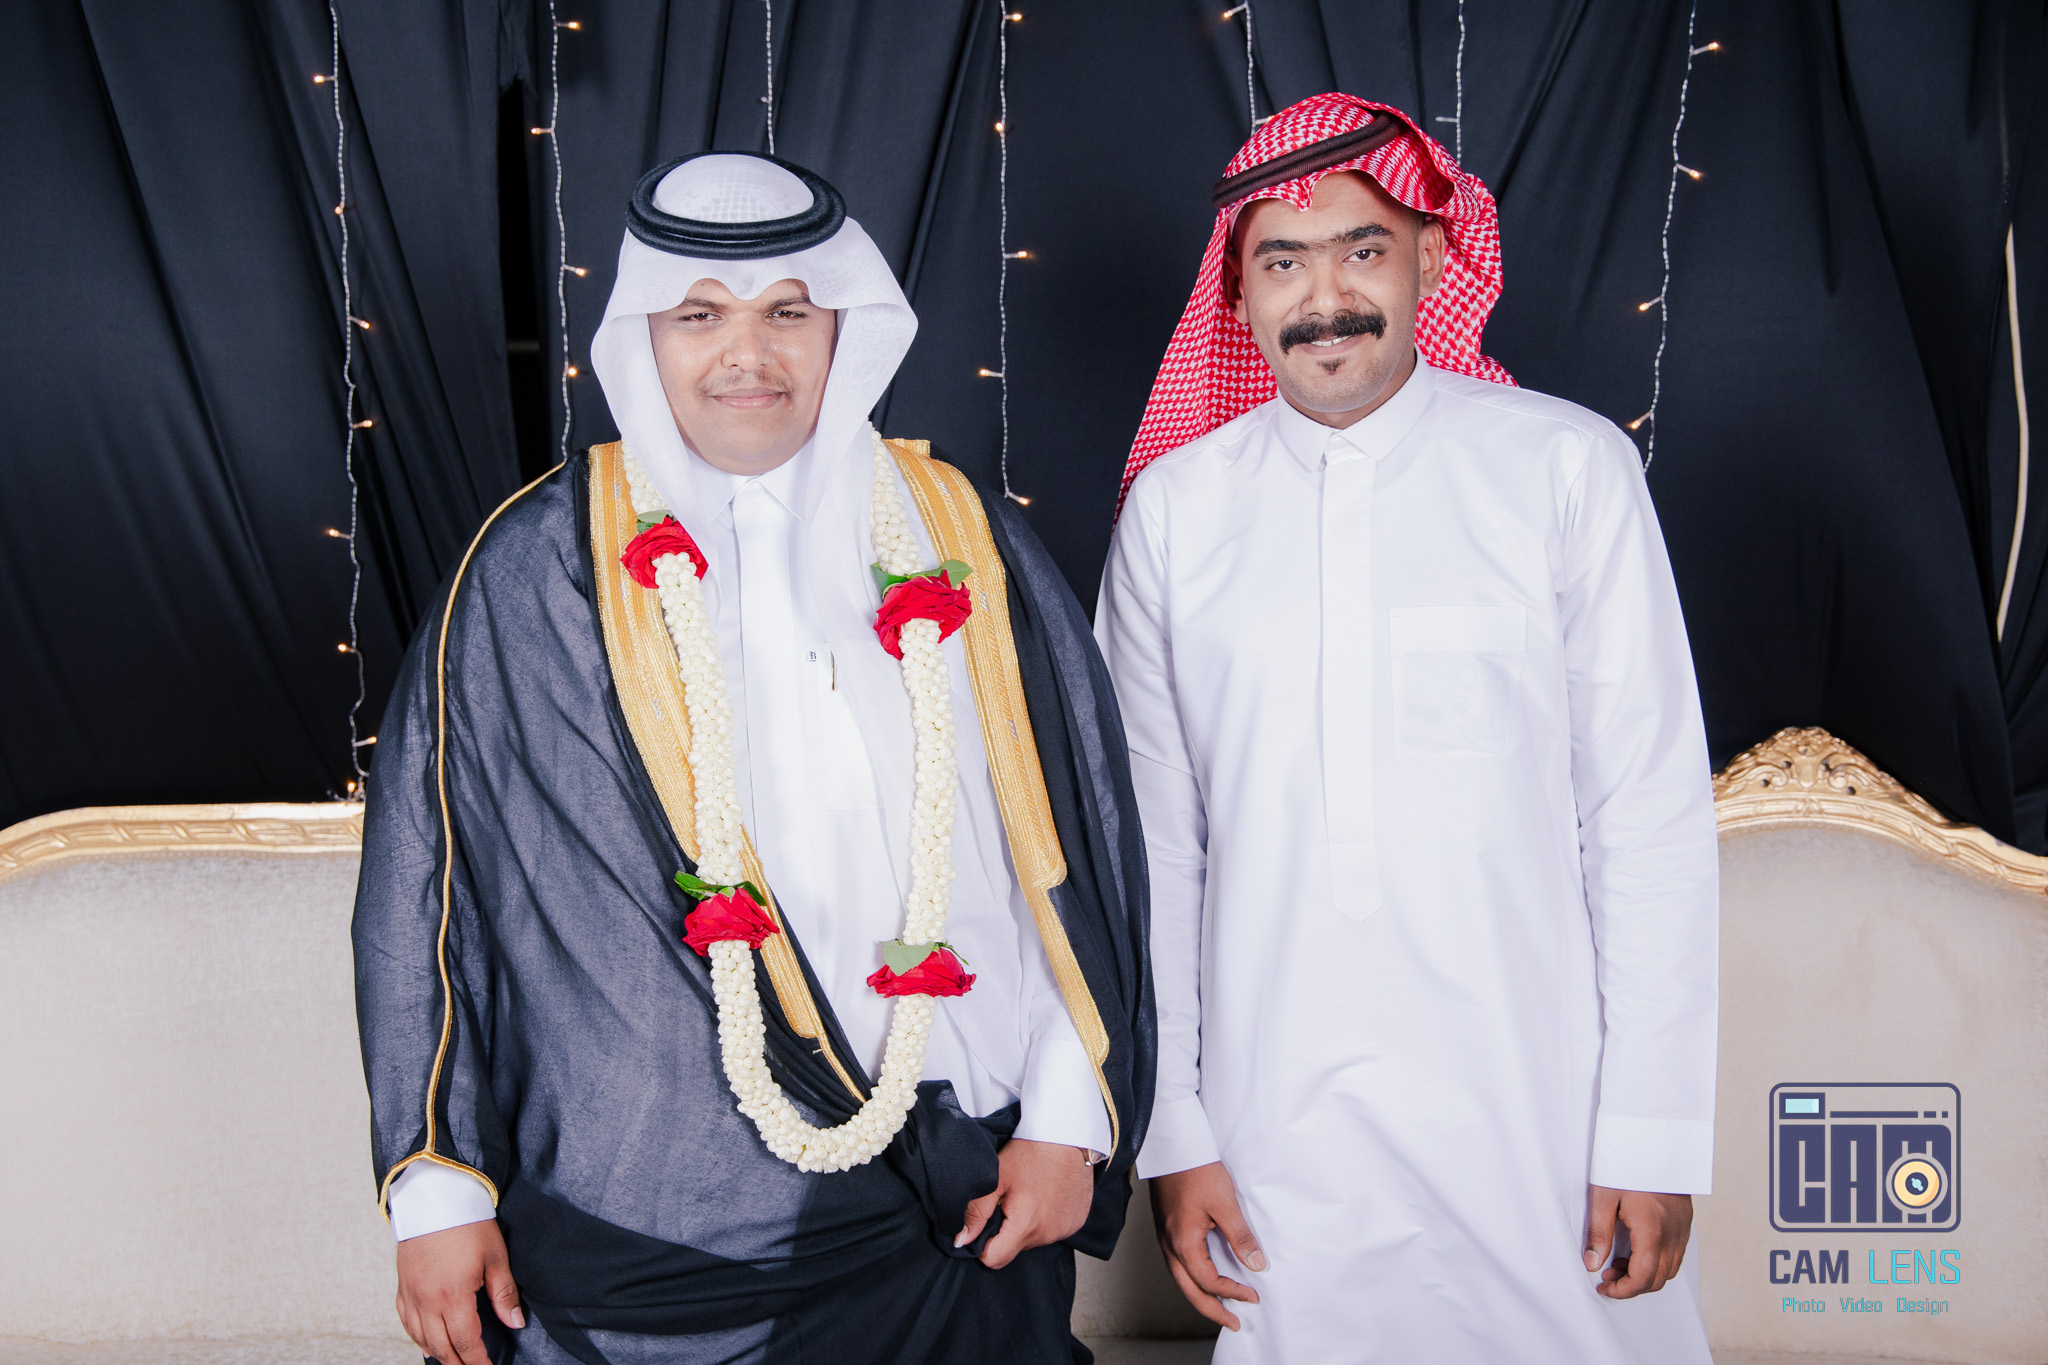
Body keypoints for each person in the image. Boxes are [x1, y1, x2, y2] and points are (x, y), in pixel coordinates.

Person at [353, 150, 1153, 1365]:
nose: (747, 353)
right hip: (657, 1210)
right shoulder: (539, 570)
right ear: (644, 336)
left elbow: (1074, 849)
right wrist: (437, 1191)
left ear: (841, 330)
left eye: (787, 311)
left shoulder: (960, 537)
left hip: (972, 1186)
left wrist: (1066, 1119)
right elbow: (431, 891)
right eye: (698, 316)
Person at [1094, 94, 1720, 1363]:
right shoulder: (1174, 512)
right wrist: (1174, 1138)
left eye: (1361, 250)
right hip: (1275, 1129)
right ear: (1237, 293)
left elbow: (1645, 820)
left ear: (1432, 260)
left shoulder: (1565, 469)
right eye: (1282, 261)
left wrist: (1651, 1134)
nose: (1323, 297)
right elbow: (1147, 852)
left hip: (1539, 1113)